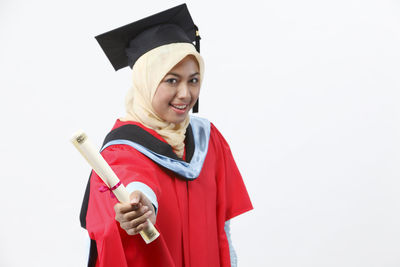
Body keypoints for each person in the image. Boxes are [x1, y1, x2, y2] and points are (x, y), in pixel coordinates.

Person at [79, 4, 253, 267]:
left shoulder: (208, 138)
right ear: (145, 81)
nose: (185, 94)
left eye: (193, 80)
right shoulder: (122, 150)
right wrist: (140, 205)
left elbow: (224, 228)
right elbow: (134, 183)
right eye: (171, 80)